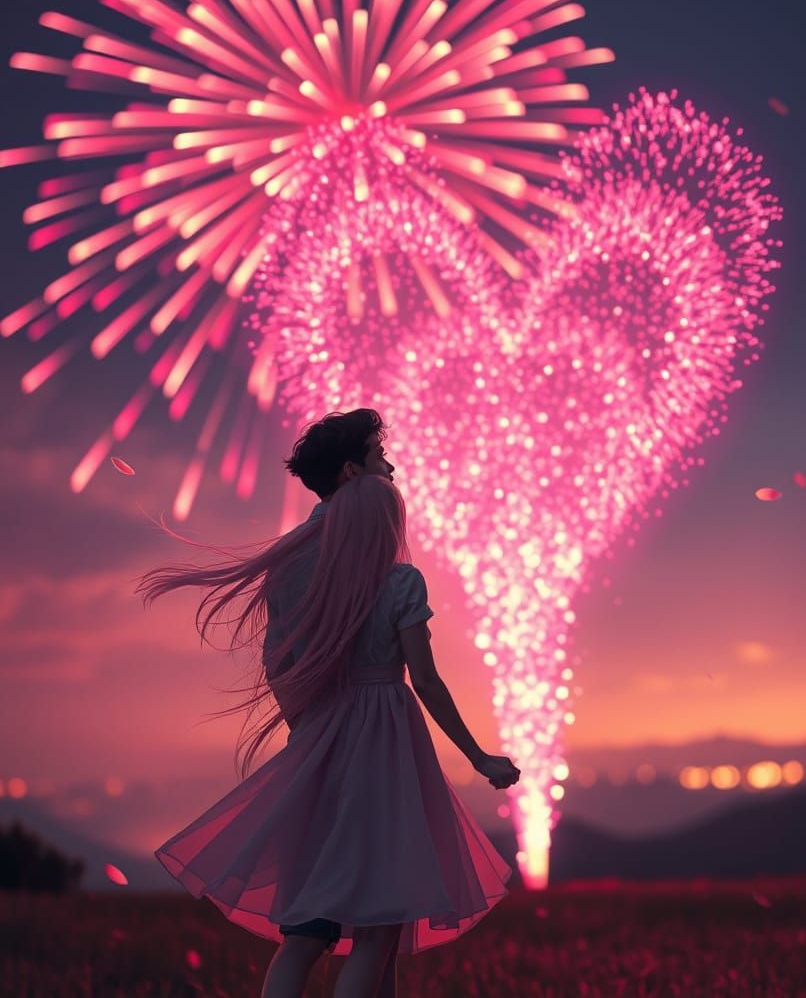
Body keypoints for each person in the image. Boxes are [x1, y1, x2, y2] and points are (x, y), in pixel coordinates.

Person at [135, 408, 520, 998]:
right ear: (351, 472)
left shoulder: (287, 568)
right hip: (387, 747)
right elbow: (427, 680)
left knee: (306, 931)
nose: (390, 467)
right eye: (377, 456)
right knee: (378, 928)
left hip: (318, 741)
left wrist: (310, 732)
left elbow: (279, 666)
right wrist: (478, 757)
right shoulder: (398, 581)